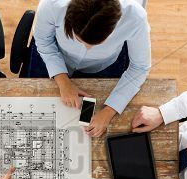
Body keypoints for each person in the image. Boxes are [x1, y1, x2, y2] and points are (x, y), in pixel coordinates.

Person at [32, 0, 151, 137]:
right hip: (54, 54)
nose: (87, 48)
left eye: (97, 43)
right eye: (79, 39)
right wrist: (62, 79)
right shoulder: (52, 4)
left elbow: (140, 67)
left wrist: (109, 111)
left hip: (106, 65)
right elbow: (43, 40)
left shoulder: (135, 16)